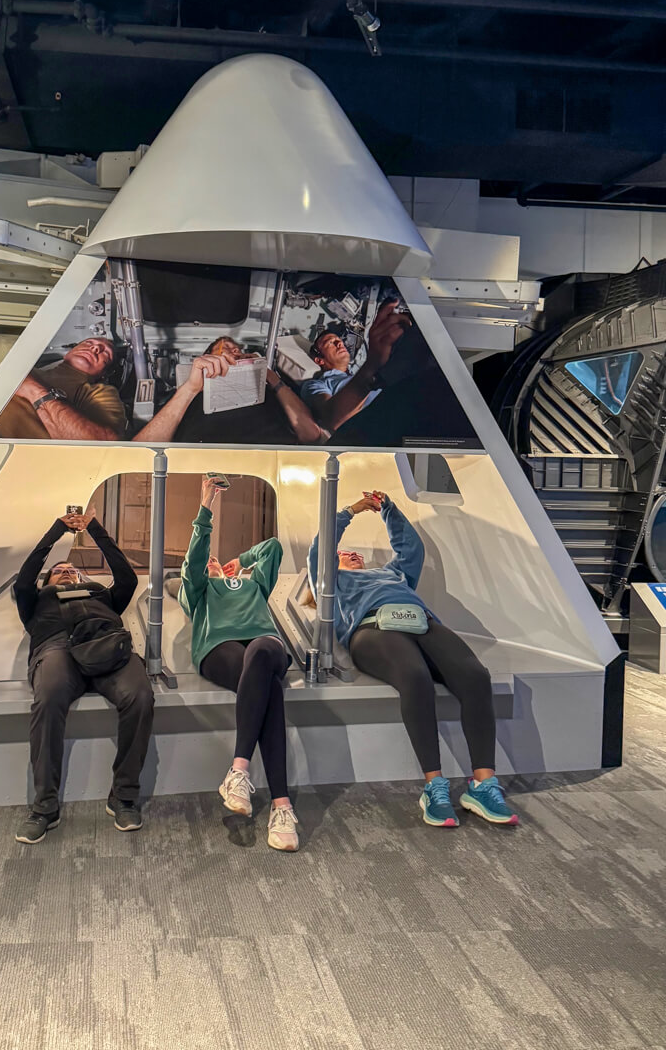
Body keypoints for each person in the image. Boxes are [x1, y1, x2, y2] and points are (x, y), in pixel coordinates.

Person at [308, 490, 518, 828]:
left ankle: (482, 784)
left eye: (354, 553)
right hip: (372, 628)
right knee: (415, 678)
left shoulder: (393, 576)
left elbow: (411, 549)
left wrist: (388, 509)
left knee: (476, 677)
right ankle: (434, 787)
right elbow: (320, 552)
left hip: (419, 621)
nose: (350, 554)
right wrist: (351, 511)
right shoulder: (335, 582)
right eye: (342, 554)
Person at [14, 507, 154, 844]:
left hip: (106, 645)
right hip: (58, 649)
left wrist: (95, 530)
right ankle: (45, 806)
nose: (66, 571)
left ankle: (123, 796)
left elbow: (127, 577)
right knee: (47, 699)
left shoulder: (100, 594)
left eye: (71, 570)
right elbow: (25, 577)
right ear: (46, 582)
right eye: (58, 571)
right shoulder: (37, 600)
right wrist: (56, 531)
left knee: (141, 697)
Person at [178, 475, 299, 851]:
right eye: (209, 563)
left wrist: (240, 562)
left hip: (264, 645)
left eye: (217, 562)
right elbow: (194, 559)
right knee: (271, 691)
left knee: (262, 652)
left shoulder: (253, 584)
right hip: (219, 647)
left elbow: (274, 548)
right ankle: (282, 806)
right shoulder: (199, 591)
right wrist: (205, 509)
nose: (212, 563)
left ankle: (239, 770)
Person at [134, 337, 325, 445]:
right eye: (226, 348)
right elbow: (142, 449)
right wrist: (190, 389)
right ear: (207, 357)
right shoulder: (189, 395)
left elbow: (311, 434)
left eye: (238, 350)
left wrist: (271, 378)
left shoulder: (273, 394)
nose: (236, 351)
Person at [300, 302, 409, 435]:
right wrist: (372, 365)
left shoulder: (355, 376)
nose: (339, 343)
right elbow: (330, 418)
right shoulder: (315, 385)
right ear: (319, 360)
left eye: (338, 340)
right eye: (330, 343)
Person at [0, 337, 126, 440]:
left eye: (105, 353)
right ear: (68, 352)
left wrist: (35, 392)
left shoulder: (98, 392)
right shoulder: (29, 370)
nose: (95, 349)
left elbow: (106, 443)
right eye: (88, 343)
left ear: (104, 374)